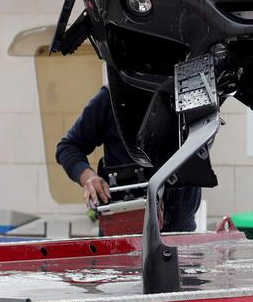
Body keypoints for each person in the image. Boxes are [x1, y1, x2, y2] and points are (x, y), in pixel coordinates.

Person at [55, 86, 201, 233]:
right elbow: (68, 146)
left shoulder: (187, 90)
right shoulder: (111, 98)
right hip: (122, 232)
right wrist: (88, 177)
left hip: (180, 230)